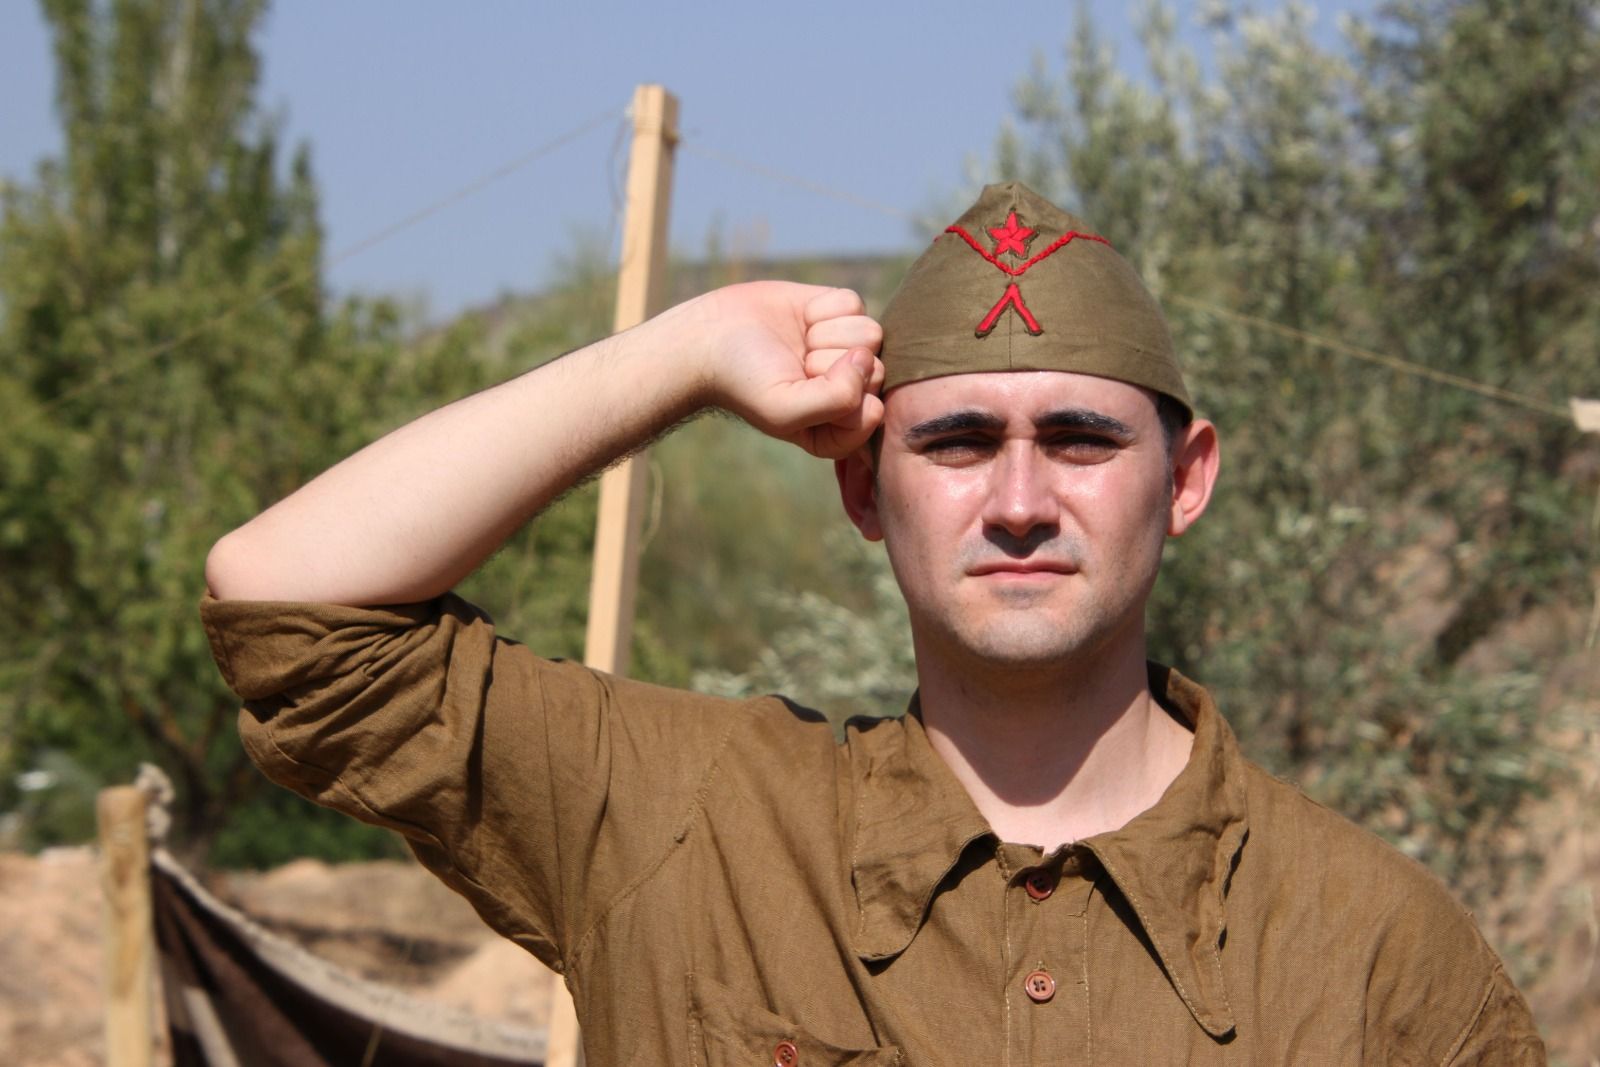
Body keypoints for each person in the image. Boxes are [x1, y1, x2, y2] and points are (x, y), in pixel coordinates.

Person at [202, 183, 1544, 1064]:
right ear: (863, 486)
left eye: (1079, 440)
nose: (1021, 501)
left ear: (1184, 480)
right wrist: (686, 353)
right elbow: (293, 607)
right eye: (958, 442)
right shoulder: (682, 827)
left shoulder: (1373, 951)